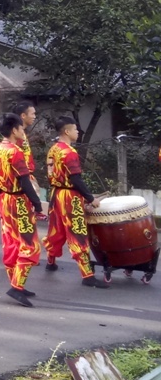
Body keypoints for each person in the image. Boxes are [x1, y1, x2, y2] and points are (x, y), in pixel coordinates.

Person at [44, 116, 107, 288]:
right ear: (67, 131)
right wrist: (91, 198)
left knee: (56, 230)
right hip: (70, 197)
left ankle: (51, 261)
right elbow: (76, 179)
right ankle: (87, 275)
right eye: (75, 129)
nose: (78, 132)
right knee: (78, 233)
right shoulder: (69, 152)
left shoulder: (53, 149)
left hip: (56, 195)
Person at [0, 112, 43, 308]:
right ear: (14, 130)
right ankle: (17, 287)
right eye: (21, 128)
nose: (23, 131)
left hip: (3, 199)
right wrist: (37, 204)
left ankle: (17, 282)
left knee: (11, 242)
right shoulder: (15, 151)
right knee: (29, 245)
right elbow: (24, 181)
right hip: (18, 201)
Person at [11, 101, 44, 219]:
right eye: (33, 114)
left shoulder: (22, 133)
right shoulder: (15, 136)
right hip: (21, 179)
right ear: (23, 116)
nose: (35, 117)